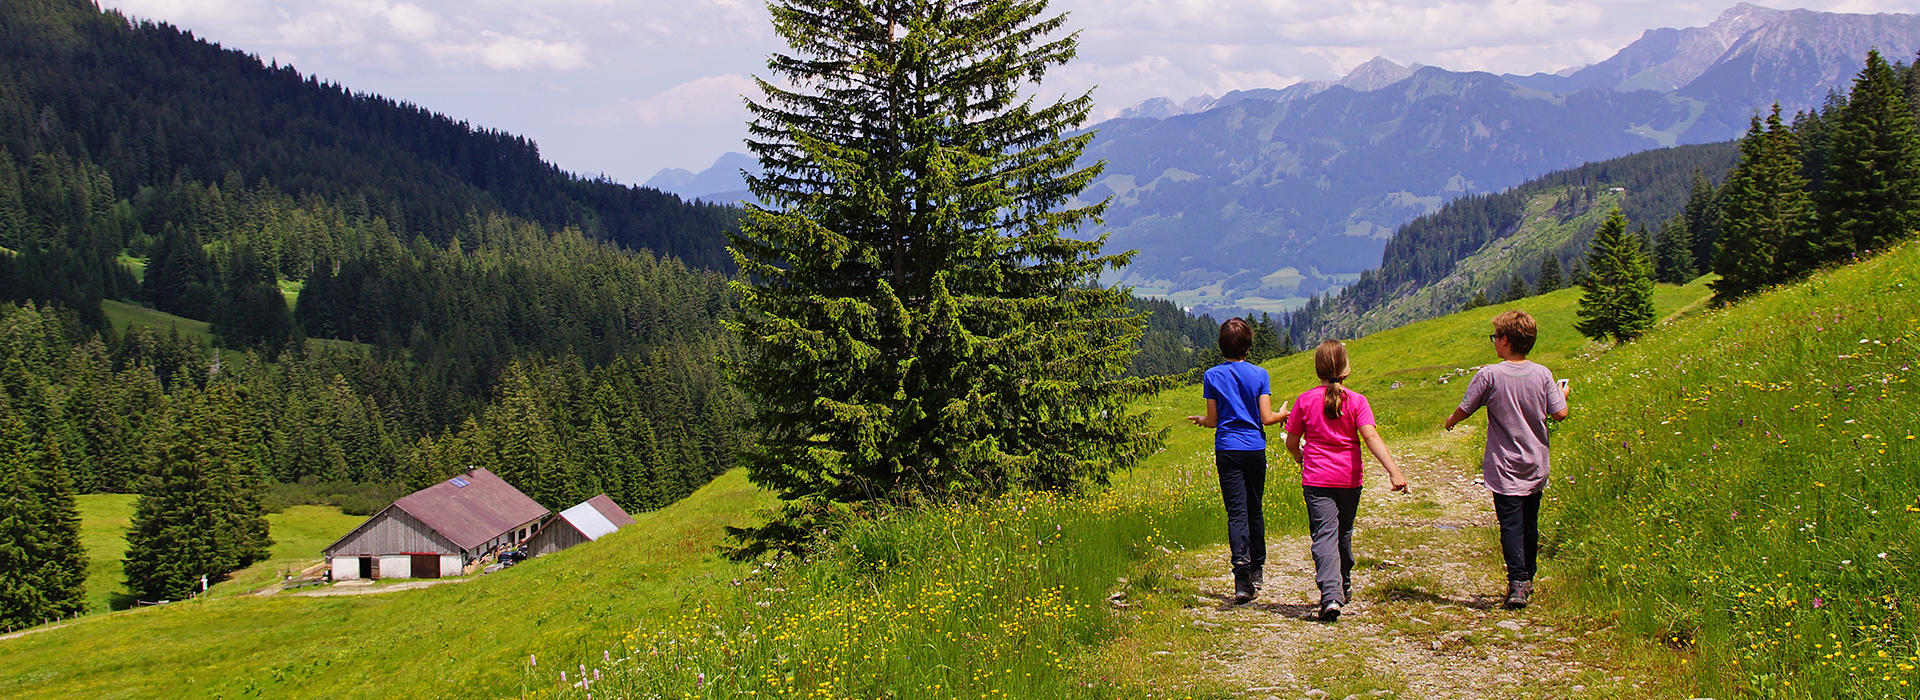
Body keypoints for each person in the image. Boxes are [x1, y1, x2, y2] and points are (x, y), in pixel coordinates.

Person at [1444, 310, 1571, 609]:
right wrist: (1563, 394)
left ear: (1504, 341)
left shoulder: (1489, 374)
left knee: (1510, 524)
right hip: (1535, 463)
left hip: (1504, 466)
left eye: (1495, 337)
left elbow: (1467, 407)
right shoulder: (1543, 374)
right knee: (1530, 521)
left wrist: (1451, 420)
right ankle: (1528, 577)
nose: (1494, 342)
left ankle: (1517, 582)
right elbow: (1560, 414)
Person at [1284, 340, 1409, 621]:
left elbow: (1292, 442)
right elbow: (1371, 437)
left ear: (1316, 369)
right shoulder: (1357, 401)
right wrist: (1394, 471)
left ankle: (1331, 594)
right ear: (1346, 368)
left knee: (1324, 536)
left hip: (1316, 480)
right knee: (1343, 532)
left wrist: (1300, 457)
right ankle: (1343, 585)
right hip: (1349, 479)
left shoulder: (1304, 401)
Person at [1187, 318, 1285, 604]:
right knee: (1255, 508)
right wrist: (1284, 414)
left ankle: (1241, 579)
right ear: (1248, 345)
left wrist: (1203, 421)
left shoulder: (1212, 376)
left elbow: (1214, 420)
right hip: (1254, 448)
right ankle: (1257, 568)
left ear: (1221, 346)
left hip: (1227, 449)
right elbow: (1266, 419)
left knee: (1236, 513)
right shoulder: (1260, 374)